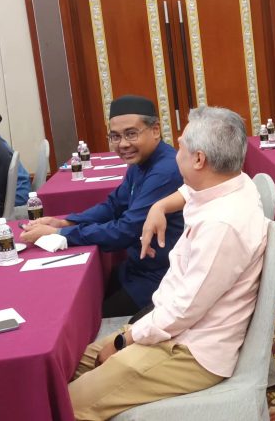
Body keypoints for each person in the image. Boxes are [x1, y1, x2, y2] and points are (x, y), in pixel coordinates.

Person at [68, 106, 269, 420]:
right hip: (171, 326)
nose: (176, 154)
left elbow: (184, 311)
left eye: (181, 148)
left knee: (67, 404)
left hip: (189, 350)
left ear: (199, 159)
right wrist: (159, 206)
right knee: (66, 367)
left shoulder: (221, 226)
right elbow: (187, 192)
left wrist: (124, 339)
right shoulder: (233, 183)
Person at [21, 95, 184, 317]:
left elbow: (126, 230)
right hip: (137, 267)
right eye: (115, 136)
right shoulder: (141, 161)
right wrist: (65, 222)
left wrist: (60, 235)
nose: (123, 144)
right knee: (75, 297)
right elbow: (113, 205)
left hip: (160, 278)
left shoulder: (165, 170)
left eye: (131, 134)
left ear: (155, 130)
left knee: (85, 316)